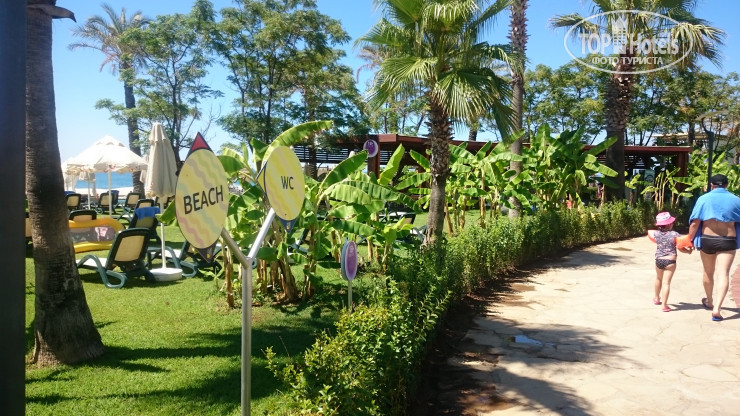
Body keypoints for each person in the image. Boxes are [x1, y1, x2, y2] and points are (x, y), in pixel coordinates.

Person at [687, 174, 740, 321]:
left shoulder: (703, 199)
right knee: (723, 273)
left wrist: (689, 240)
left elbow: (695, 223)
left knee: (708, 272)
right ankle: (717, 309)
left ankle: (709, 301)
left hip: (707, 240)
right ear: (727, 185)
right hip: (728, 240)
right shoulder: (736, 200)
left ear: (711, 185)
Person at [652, 212, 681, 312]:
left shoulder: (656, 234)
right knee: (666, 283)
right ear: (669, 224)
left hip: (659, 260)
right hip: (670, 261)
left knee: (658, 279)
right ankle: (664, 305)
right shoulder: (675, 234)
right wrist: (689, 251)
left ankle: (656, 298)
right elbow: (681, 247)